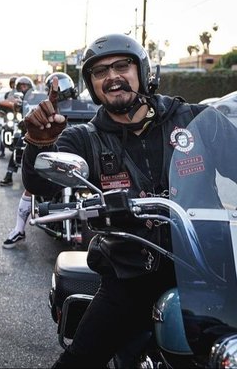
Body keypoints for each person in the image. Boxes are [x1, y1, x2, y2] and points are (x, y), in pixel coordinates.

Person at [21, 33, 209, 368]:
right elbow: (41, 184)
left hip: (207, 267)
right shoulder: (84, 137)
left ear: (142, 70)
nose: (112, 76)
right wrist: (38, 144)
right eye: (100, 72)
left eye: (122, 66)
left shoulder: (190, 118)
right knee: (79, 361)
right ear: (92, 85)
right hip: (131, 276)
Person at [2, 72, 76, 248]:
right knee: (31, 187)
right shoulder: (42, 104)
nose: (63, 90)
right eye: (59, 87)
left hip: (74, 153)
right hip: (53, 149)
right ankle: (19, 229)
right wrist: (38, 138)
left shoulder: (82, 105)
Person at [0, 75, 35, 187]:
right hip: (24, 127)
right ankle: (9, 175)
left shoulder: (35, 97)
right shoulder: (15, 98)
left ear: (29, 87)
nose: (23, 87)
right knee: (18, 145)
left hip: (36, 126)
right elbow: (10, 107)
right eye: (21, 86)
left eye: (25, 85)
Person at [0, 76, 18, 159]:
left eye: (15, 84)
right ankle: (1, 150)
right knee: (4, 129)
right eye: (13, 84)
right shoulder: (7, 94)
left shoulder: (23, 94)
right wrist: (2, 112)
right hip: (10, 116)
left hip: (19, 116)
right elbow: (4, 105)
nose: (14, 86)